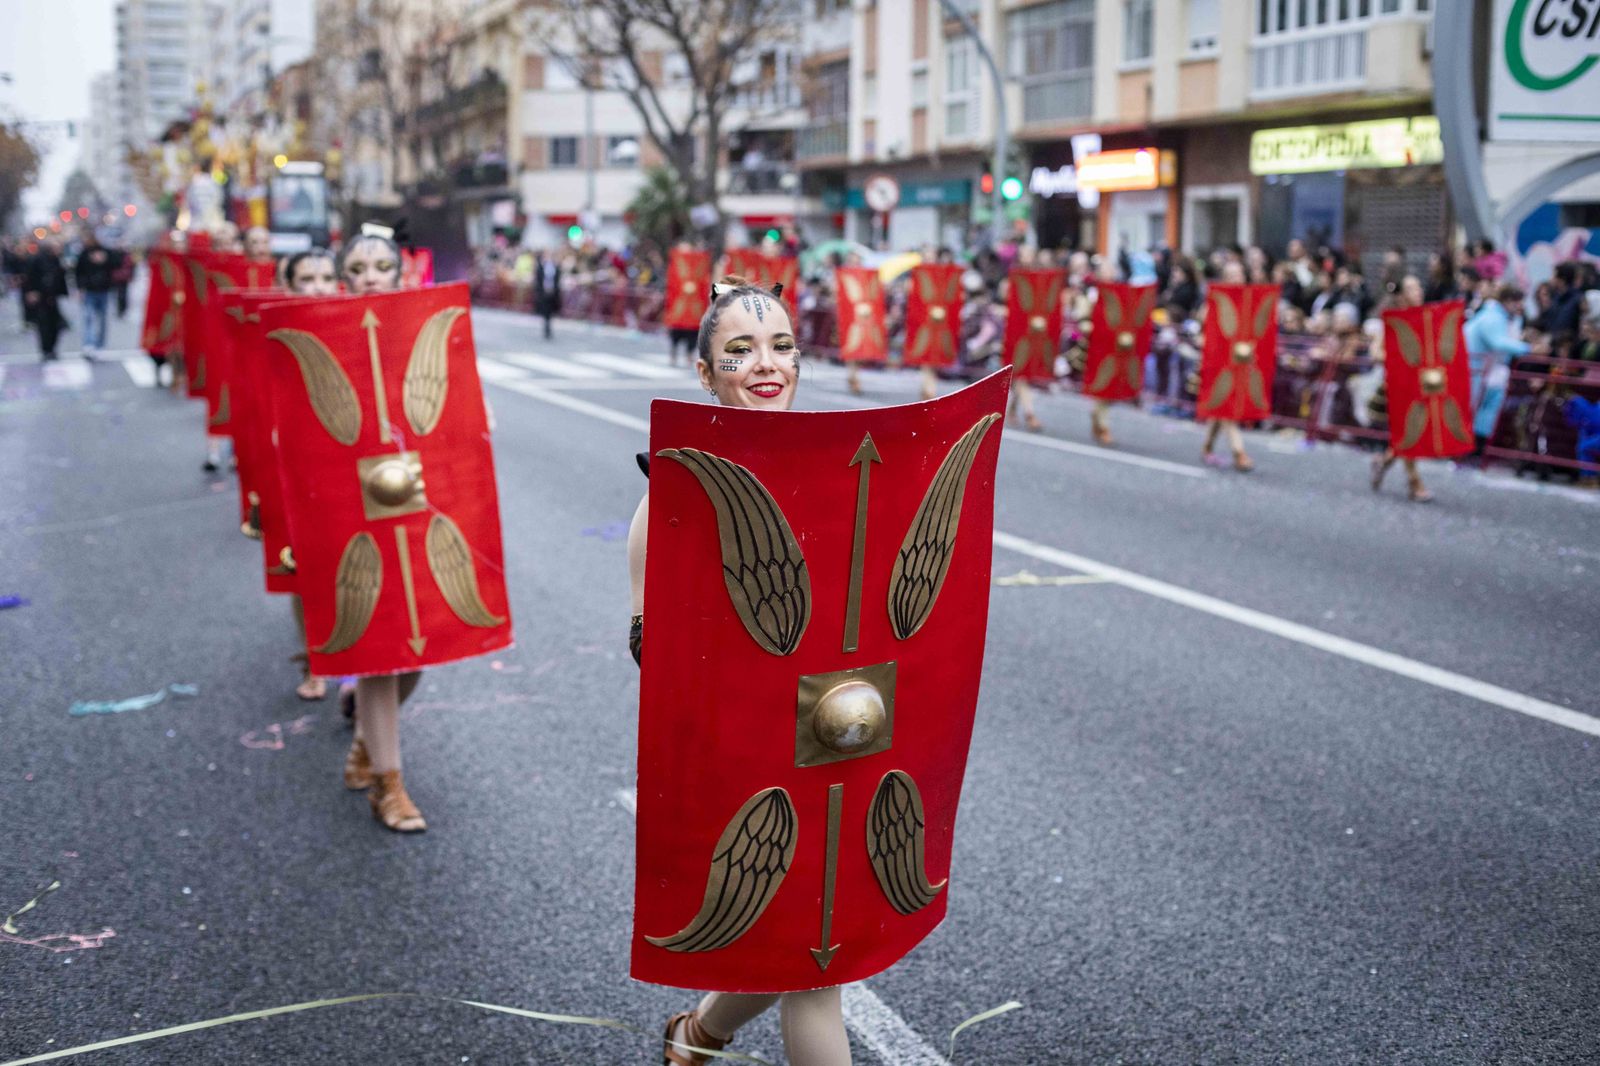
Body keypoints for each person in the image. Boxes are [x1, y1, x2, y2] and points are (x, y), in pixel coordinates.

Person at [627, 276, 852, 1065]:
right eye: (742, 349)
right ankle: (699, 1034)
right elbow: (654, 656)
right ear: (704, 372)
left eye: (783, 346)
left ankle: (699, 1035)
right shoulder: (673, 494)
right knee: (817, 962)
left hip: (832, 738)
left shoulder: (844, 466)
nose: (768, 364)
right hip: (745, 758)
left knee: (807, 946)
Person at [331, 225, 425, 831]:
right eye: (359, 267)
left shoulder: (420, 330)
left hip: (415, 496)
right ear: (347, 279)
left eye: (380, 266)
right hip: (348, 504)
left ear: (399, 274)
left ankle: (369, 740)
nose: (370, 275)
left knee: (419, 646)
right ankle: (389, 785)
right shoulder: (328, 334)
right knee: (378, 652)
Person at [277, 248, 339, 702]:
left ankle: (355, 657)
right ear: (290, 286)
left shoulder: (352, 326)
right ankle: (314, 657)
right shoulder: (275, 333)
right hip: (297, 462)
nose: (318, 286)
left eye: (326, 277)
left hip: (345, 462)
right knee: (305, 568)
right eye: (307, 279)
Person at [1369, 276, 1434, 503]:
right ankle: (1415, 482)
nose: (1418, 291)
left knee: (1411, 434)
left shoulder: (1427, 319)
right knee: (1408, 433)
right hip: (1397, 387)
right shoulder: (1392, 321)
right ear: (1402, 294)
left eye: (1419, 286)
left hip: (1421, 385)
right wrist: (1397, 359)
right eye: (1412, 288)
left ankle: (1383, 462)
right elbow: (1376, 352)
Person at [1465, 283, 1535, 453]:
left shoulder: (1502, 316)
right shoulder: (1493, 317)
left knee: (1485, 409)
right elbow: (1497, 341)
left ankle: (1477, 446)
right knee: (1474, 408)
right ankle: (1470, 447)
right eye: (1517, 301)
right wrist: (1528, 348)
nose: (1520, 306)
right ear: (1508, 300)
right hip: (1477, 369)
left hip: (1487, 370)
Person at [72, 230, 125, 356]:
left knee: (102, 319)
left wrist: (105, 259)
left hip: (104, 290)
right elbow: (78, 272)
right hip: (89, 290)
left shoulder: (106, 251)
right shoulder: (84, 253)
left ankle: (99, 344)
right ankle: (88, 344)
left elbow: (117, 263)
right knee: (88, 317)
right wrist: (80, 288)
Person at [21, 238, 70, 361]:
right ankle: (46, 350)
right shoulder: (36, 259)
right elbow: (28, 277)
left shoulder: (56, 260)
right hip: (41, 296)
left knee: (56, 325)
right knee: (44, 325)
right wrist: (30, 292)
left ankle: (51, 348)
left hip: (52, 296)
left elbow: (60, 277)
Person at [532, 249, 561, 340]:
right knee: (545, 311)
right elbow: (538, 279)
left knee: (550, 312)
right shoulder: (540, 267)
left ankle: (548, 326)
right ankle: (546, 326)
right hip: (543, 292)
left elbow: (557, 279)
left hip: (552, 292)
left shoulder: (556, 267)